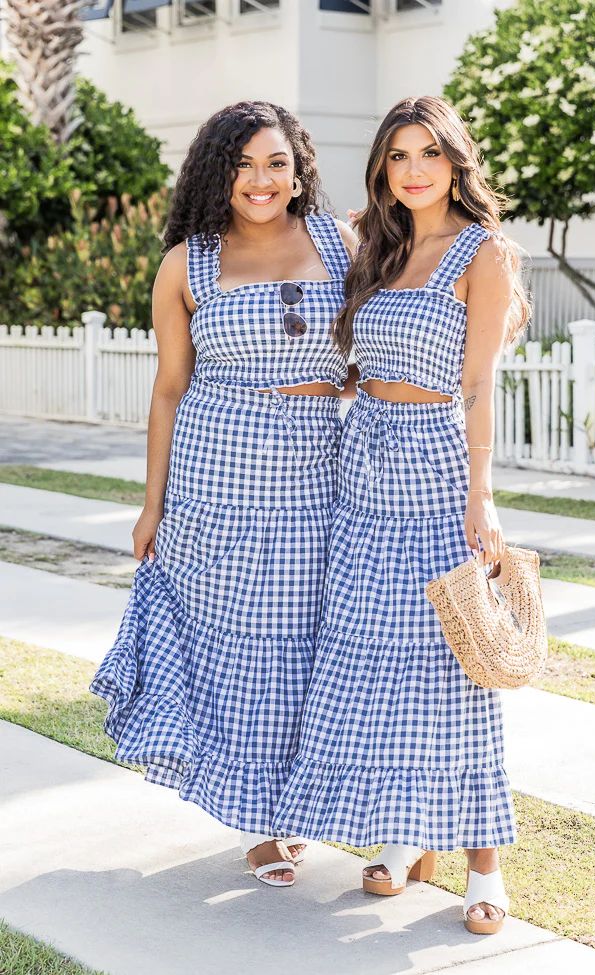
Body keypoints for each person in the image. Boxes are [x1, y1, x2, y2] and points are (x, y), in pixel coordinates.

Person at [272, 95, 530, 931]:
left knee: (450, 659)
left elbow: (481, 380)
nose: (414, 169)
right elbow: (360, 352)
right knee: (371, 656)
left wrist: (480, 491)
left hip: (434, 463)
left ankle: (484, 867)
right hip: (363, 463)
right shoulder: (378, 246)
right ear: (383, 167)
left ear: (456, 161)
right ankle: (398, 838)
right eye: (398, 156)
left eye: (429, 153)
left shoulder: (482, 252)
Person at [89, 100, 357, 888]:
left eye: (276, 162)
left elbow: (380, 337)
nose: (260, 180)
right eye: (242, 165)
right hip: (215, 483)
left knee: (301, 647)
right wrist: (152, 503)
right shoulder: (187, 264)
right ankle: (266, 821)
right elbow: (169, 390)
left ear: (299, 166)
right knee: (232, 654)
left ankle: (300, 802)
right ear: (217, 173)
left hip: (316, 478)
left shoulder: (338, 243)